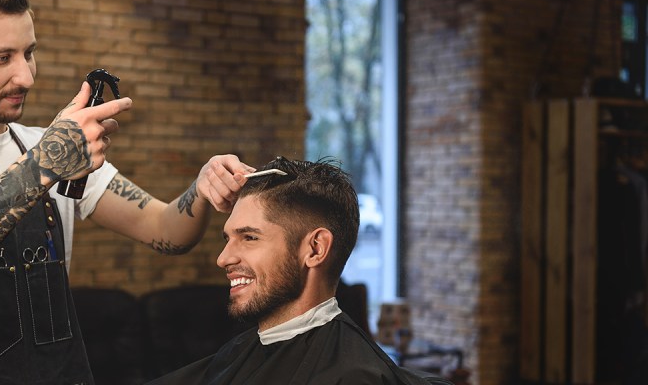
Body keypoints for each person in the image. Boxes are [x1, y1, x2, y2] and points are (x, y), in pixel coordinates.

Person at [0, 0, 253, 384]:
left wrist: (201, 188)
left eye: (29, 52)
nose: (26, 75)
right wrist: (45, 163)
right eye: (2, 58)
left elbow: (167, 230)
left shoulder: (50, 147)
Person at [147, 156, 443, 385]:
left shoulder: (352, 375)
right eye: (228, 239)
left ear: (315, 249)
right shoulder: (244, 350)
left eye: (249, 237)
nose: (223, 259)